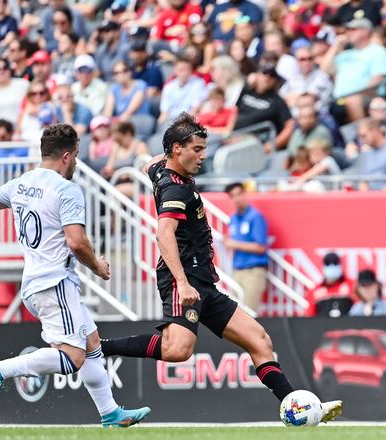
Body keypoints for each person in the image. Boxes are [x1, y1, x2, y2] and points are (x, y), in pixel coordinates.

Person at [98, 113, 343, 422]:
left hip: (203, 282)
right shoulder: (175, 190)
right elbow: (164, 234)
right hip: (183, 282)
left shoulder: (161, 170)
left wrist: (153, 159)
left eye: (204, 148)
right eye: (197, 149)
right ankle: (100, 347)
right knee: (178, 351)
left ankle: (299, 409)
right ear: (177, 149)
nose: (203, 156)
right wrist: (182, 283)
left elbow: (148, 164)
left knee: (260, 340)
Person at [0, 123, 151, 428]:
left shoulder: (21, 183)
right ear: (67, 156)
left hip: (36, 282)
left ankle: (110, 412)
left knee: (91, 341)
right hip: (53, 282)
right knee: (73, 357)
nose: (75, 163)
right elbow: (76, 241)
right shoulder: (66, 189)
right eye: (75, 157)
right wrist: (97, 266)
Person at [320, 18, 386, 122]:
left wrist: (354, 95)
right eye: (347, 30)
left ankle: (361, 131)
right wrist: (336, 45)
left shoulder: (377, 51)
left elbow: (377, 80)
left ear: (365, 31)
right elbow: (324, 69)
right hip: (339, 99)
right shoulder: (345, 54)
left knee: (353, 99)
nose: (347, 33)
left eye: (352, 30)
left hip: (369, 95)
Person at [223, 182, 269, 314]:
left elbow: (261, 247)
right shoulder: (233, 219)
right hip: (238, 271)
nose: (236, 199)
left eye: (239, 194)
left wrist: (234, 244)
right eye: (232, 196)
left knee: (249, 314)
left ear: (244, 194)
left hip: (253, 271)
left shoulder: (255, 216)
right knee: (235, 315)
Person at [233, 64, 294, 151]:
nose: (268, 77)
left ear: (275, 80)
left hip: (255, 142)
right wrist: (228, 131)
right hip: (233, 135)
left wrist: (272, 145)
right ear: (257, 75)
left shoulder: (277, 101)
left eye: (272, 75)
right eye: (265, 73)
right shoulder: (246, 90)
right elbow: (235, 111)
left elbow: (290, 126)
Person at [158, 56, 207, 125]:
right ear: (175, 70)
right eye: (182, 69)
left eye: (188, 69)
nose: (185, 72)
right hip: (170, 121)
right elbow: (164, 112)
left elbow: (195, 109)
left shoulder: (198, 83)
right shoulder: (169, 86)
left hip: (187, 122)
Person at [305, 252, 355, 317]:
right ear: (323, 267)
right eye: (328, 264)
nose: (332, 267)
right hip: (323, 326)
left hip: (347, 325)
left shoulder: (351, 285)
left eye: (335, 263)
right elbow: (310, 316)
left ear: (340, 266)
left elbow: (358, 310)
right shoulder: (315, 291)